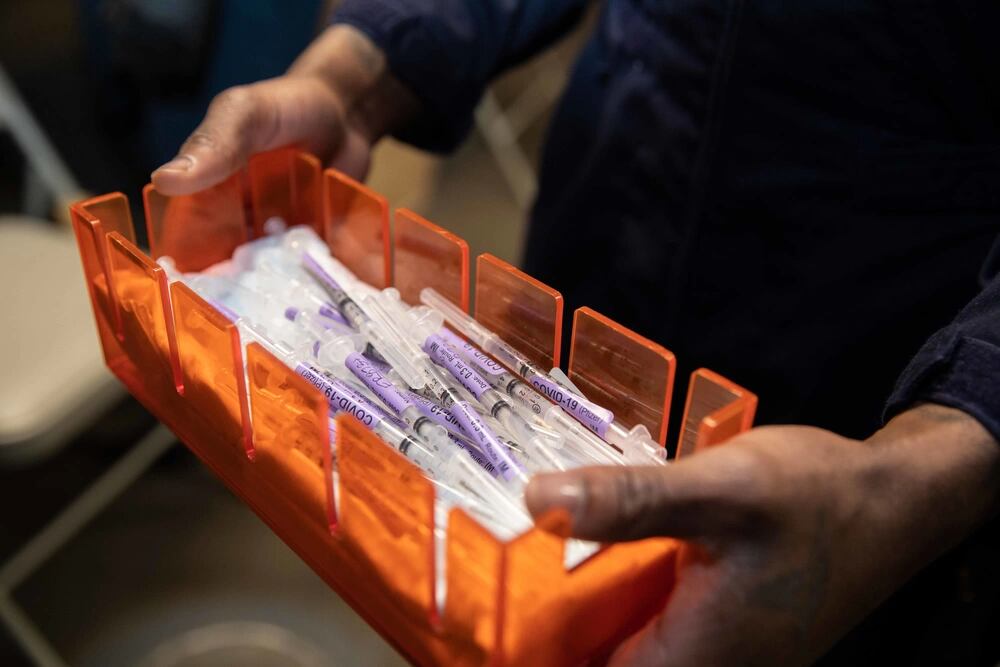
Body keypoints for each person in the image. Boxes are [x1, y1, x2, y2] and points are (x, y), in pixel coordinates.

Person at [151, 3, 1000, 665]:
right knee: (503, 608)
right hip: (608, 219)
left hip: (870, 376)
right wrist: (361, 71)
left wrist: (918, 473)